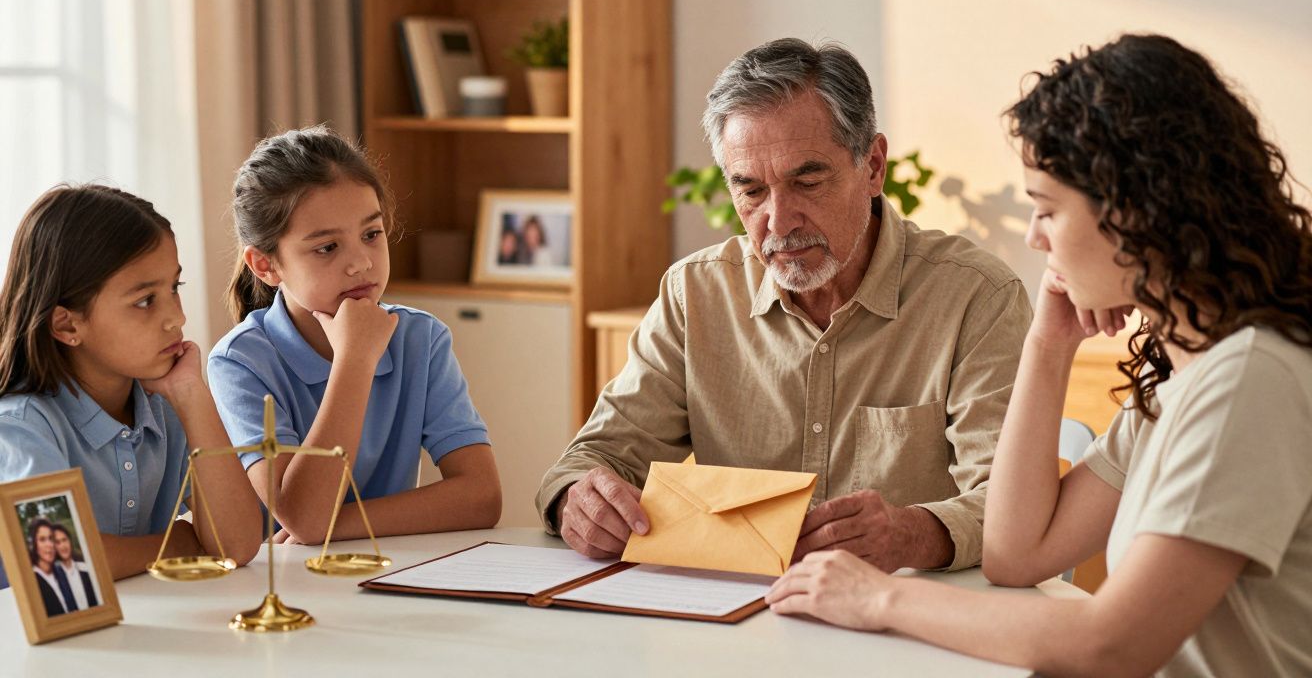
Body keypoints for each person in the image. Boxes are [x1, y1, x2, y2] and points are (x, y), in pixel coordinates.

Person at [765, 34, 1312, 676]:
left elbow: (1113, 645)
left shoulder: (1249, 379)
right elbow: (1016, 553)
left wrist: (881, 596)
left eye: (1047, 210)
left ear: (1136, 211)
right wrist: (1048, 346)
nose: (1032, 236)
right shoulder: (1181, 383)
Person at [537, 38, 1031, 572]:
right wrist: (578, 501)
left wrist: (911, 534)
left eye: (807, 181)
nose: (778, 220)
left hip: (906, 615)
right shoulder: (695, 294)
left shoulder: (977, 297)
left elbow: (1011, 503)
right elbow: (595, 458)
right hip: (740, 619)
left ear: (874, 165)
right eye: (750, 191)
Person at [209, 125, 501, 545]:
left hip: (384, 569)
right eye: (327, 247)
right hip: (281, 588)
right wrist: (355, 360)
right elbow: (305, 514)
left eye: (371, 234)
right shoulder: (240, 362)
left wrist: (333, 526)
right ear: (265, 266)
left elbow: (481, 497)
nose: (361, 263)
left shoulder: (421, 338)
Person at [0, 185, 263, 584]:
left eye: (174, 288)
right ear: (68, 324)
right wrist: (177, 544)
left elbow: (239, 544)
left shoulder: (164, 401)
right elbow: (61, 566)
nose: (177, 318)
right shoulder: (22, 427)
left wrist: (192, 396)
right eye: (145, 301)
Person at [51, 523, 99, 610]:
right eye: (57, 542)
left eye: (64, 540)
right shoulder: (54, 578)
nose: (63, 546)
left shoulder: (86, 569)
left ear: (70, 541)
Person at [27, 520, 66, 617]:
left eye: (51, 538)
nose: (49, 545)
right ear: (33, 545)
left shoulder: (62, 574)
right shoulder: (31, 581)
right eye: (42, 539)